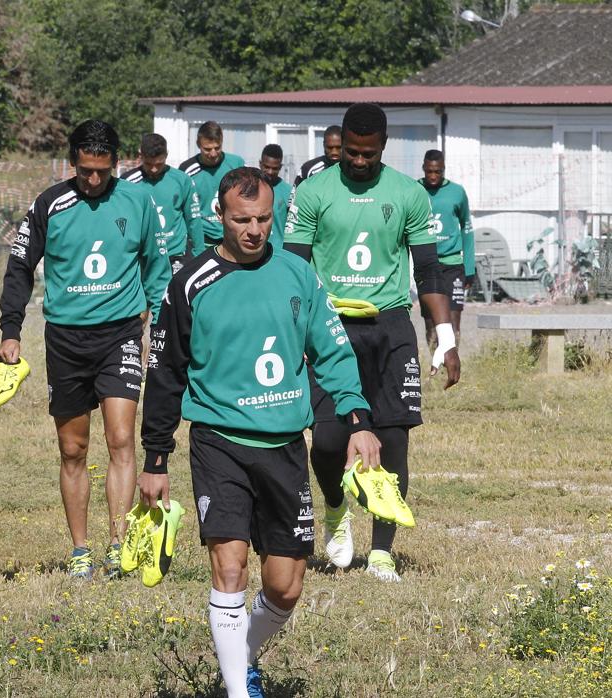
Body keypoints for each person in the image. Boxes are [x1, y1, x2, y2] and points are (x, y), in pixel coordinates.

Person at [140, 166, 381, 698]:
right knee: (230, 568)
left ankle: (238, 658)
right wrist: (156, 458)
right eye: (242, 219)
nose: (254, 229)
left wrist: (358, 420)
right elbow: (164, 375)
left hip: (284, 448)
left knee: (285, 586)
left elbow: (334, 350)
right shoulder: (190, 283)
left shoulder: (299, 274)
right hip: (217, 442)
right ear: (219, 216)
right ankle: (236, 690)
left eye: (264, 219)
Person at [283, 103, 460, 582]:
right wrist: (294, 332)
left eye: (369, 154)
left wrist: (445, 337)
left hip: (390, 327)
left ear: (383, 147)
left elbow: (428, 270)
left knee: (394, 440)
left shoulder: (408, 194)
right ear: (341, 144)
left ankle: (382, 550)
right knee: (328, 441)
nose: (359, 161)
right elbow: (295, 270)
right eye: (352, 153)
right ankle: (337, 509)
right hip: (330, 326)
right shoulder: (313, 191)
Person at [0, 119, 170, 579]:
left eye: (103, 171)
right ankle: (80, 551)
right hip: (66, 340)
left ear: (117, 164)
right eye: (85, 170)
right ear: (71, 162)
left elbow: (157, 266)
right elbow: (19, 268)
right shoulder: (48, 205)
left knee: (120, 439)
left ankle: (118, 545)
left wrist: (156, 321)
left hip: (120, 335)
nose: (94, 180)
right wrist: (10, 330)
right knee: (73, 449)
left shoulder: (138, 201)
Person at [419, 150, 474, 348]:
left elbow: (467, 230)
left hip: (453, 266)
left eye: (438, 172)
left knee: (452, 321)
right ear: (423, 169)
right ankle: (435, 365)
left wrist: (469, 268)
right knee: (431, 324)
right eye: (430, 171)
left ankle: (451, 367)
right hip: (426, 265)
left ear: (444, 170)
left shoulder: (457, 192)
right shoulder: (414, 190)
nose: (433, 176)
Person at [122, 133, 199, 273]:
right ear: (141, 155)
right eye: (148, 164)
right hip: (143, 256)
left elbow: (193, 220)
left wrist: (199, 255)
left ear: (167, 155)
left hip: (175, 254)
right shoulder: (127, 183)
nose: (153, 169)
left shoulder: (182, 180)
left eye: (159, 164)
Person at [180, 121, 245, 249]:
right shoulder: (186, 171)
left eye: (217, 147)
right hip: (203, 241)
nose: (213, 153)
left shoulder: (237, 164)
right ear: (198, 144)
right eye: (207, 149)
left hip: (232, 237)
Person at [257, 145, 291, 248]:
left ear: (280, 167)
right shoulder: (251, 187)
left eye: (275, 168)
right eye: (266, 167)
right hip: (255, 248)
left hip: (278, 250)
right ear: (260, 164)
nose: (270, 172)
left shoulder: (288, 191)